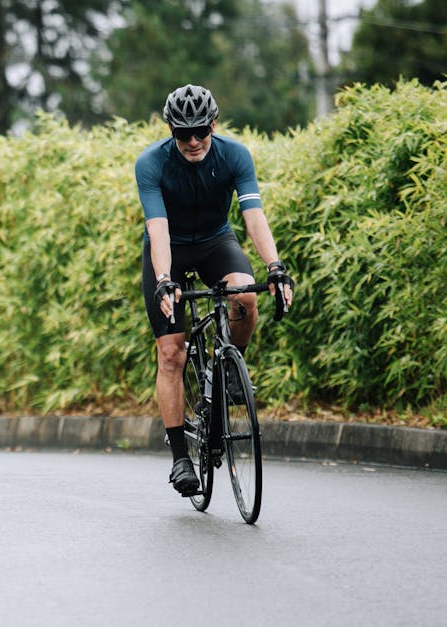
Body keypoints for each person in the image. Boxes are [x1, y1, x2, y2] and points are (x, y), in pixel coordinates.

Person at [134, 85, 295, 497]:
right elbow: (158, 228)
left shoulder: (235, 155)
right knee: (172, 352)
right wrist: (165, 279)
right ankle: (180, 459)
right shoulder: (151, 163)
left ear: (213, 125)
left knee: (245, 296)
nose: (192, 141)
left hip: (214, 243)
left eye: (200, 131)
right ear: (170, 130)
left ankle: (228, 367)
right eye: (182, 133)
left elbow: (253, 216)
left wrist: (274, 267)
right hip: (168, 249)